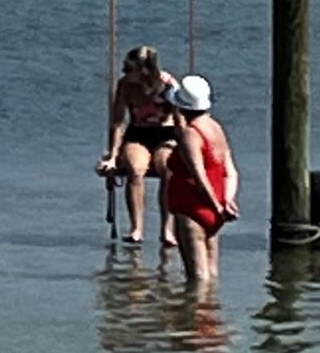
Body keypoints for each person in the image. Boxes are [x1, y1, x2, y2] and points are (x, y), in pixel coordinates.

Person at [95, 45, 179, 246]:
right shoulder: (125, 86)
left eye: (128, 68)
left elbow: (181, 118)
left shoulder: (167, 85)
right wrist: (113, 155)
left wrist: (188, 147)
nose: (124, 72)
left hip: (165, 133)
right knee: (135, 169)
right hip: (138, 133)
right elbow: (117, 122)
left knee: (167, 168)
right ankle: (136, 228)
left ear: (144, 70)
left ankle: (167, 229)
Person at [164, 75, 238, 284]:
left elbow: (199, 176)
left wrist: (215, 206)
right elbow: (230, 171)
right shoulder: (215, 128)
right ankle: (213, 315)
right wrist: (226, 202)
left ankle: (195, 315)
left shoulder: (191, 134)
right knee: (211, 276)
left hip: (193, 208)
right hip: (216, 210)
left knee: (197, 279)